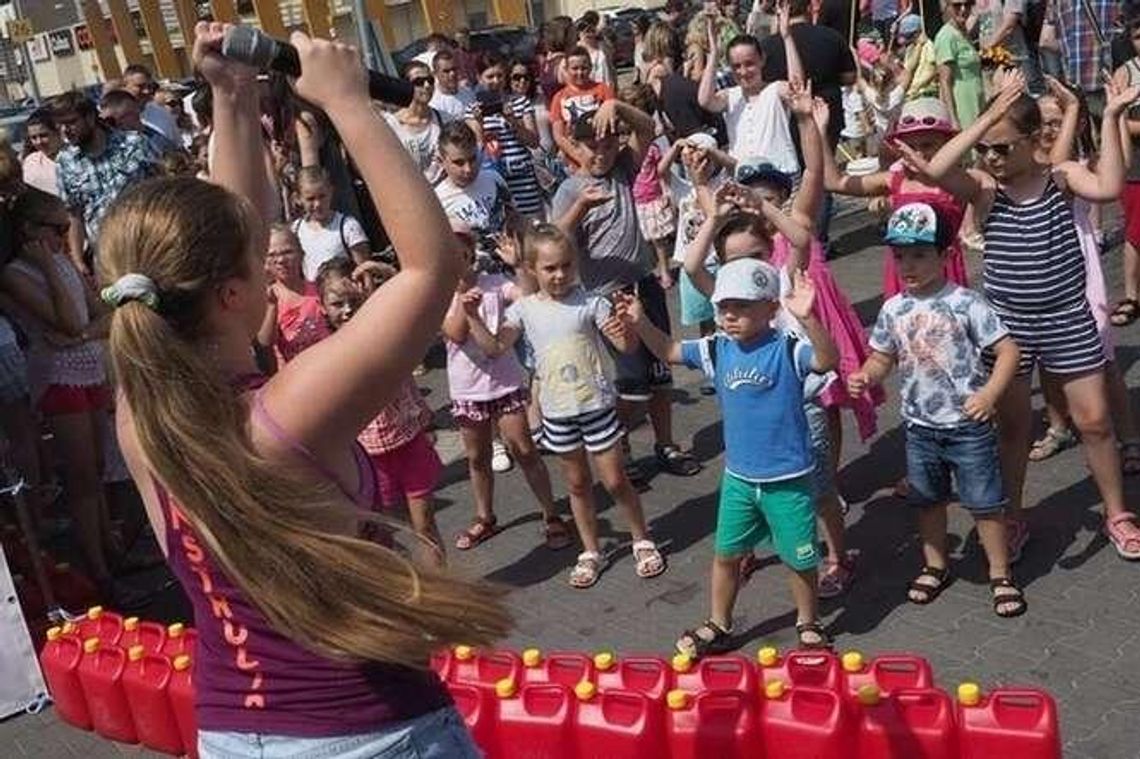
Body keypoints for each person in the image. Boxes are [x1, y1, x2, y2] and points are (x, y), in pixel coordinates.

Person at [101, 24, 506, 757]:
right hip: (371, 733)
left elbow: (230, 235)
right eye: (255, 261)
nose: (269, 261)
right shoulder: (286, 413)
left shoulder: (140, 411)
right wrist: (349, 104)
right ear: (232, 294)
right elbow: (429, 269)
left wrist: (232, 97)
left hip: (233, 732)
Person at [916, 73, 1140, 562]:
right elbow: (936, 169)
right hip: (1007, 327)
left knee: (1095, 421)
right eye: (985, 150)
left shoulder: (1061, 177)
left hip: (1067, 316)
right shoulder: (984, 189)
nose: (991, 158)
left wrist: (1112, 115)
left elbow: (1109, 185)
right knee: (1013, 428)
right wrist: (988, 119)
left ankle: (1117, 513)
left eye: (1002, 148)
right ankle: (1012, 517)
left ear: (1034, 139)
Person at [622, 257, 838, 654]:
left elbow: (827, 361)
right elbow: (669, 350)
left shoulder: (788, 348)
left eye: (742, 306)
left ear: (771, 308)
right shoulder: (716, 349)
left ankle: (808, 622)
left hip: (788, 479)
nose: (729, 316)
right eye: (723, 307)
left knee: (799, 560)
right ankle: (719, 623)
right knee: (726, 555)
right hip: (739, 479)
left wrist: (808, 319)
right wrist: (641, 323)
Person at [463, 224, 667, 589]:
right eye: (550, 268)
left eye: (566, 266)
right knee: (577, 484)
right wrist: (473, 317)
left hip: (597, 406)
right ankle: (591, 551)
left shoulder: (592, 302)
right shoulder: (523, 310)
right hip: (558, 414)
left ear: (576, 264)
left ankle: (641, 538)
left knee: (615, 480)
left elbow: (627, 347)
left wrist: (629, 327)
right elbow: (494, 348)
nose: (559, 275)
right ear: (532, 268)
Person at [850, 202, 1026, 618]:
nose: (908, 265)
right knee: (927, 501)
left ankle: (1000, 572)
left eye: (919, 254)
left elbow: (1008, 351)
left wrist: (989, 395)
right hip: (919, 427)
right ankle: (935, 565)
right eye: (900, 256)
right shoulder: (893, 308)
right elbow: (882, 356)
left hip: (967, 425)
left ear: (946, 255)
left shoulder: (966, 302)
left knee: (985, 503)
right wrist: (867, 375)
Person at [553, 100, 702, 482]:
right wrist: (580, 208)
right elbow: (555, 243)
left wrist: (616, 106)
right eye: (591, 146)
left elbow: (647, 128)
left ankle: (665, 444)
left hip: (643, 283)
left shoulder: (622, 167)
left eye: (607, 145)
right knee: (632, 383)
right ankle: (616, 441)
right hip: (606, 294)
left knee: (660, 372)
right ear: (575, 146)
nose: (600, 154)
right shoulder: (570, 189)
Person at [0, 186, 125, 604]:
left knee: (97, 467)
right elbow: (69, 320)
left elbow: (101, 316)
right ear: (29, 232)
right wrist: (50, 269)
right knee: (82, 477)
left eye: (65, 227)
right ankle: (99, 571)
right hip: (57, 377)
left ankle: (111, 553)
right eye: (55, 229)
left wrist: (82, 334)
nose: (63, 236)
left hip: (87, 369)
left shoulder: (63, 262)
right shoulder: (16, 273)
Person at [442, 223, 572, 552]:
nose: (458, 259)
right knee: (477, 457)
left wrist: (518, 266)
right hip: (467, 388)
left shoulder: (494, 283)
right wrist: (464, 303)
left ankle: (551, 514)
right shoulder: (439, 294)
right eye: (449, 254)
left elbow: (528, 298)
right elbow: (456, 333)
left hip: (504, 382)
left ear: (471, 254)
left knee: (524, 450)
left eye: (463, 252)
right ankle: (485, 517)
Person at [316, 258, 446, 567]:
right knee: (387, 535)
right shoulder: (327, 353)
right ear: (322, 307)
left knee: (425, 526)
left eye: (353, 300)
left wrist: (386, 276)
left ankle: (443, 585)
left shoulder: (385, 329)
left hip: (408, 440)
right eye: (337, 303)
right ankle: (413, 588)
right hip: (369, 456)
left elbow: (417, 299)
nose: (347, 310)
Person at [819, 97, 970, 298]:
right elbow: (834, 182)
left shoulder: (957, 182)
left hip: (942, 270)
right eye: (910, 146)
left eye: (927, 145)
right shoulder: (894, 180)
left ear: (946, 146)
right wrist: (821, 133)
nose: (918, 154)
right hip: (904, 270)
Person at [51, 91, 158, 276]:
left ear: (90, 118)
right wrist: (78, 260)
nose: (65, 130)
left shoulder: (134, 144)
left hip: (147, 247)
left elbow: (164, 190)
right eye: (60, 125)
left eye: (71, 122)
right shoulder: (65, 161)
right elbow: (74, 216)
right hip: (107, 259)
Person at [697, 20, 801, 174]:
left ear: (762, 60)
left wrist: (787, 37)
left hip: (781, 174)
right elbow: (705, 100)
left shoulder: (776, 90)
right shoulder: (730, 96)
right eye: (736, 66)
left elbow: (797, 88)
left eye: (749, 64)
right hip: (743, 177)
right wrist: (714, 54)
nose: (743, 72)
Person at [465, 52, 544, 220]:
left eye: (500, 76)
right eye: (490, 76)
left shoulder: (520, 102)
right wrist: (479, 123)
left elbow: (534, 142)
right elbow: (477, 149)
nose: (496, 81)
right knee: (503, 226)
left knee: (533, 226)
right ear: (479, 78)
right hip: (494, 178)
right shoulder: (472, 110)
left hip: (523, 179)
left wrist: (512, 120)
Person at [434, 122, 515, 272]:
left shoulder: (494, 179)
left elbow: (516, 219)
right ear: (441, 161)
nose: (468, 169)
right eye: (459, 163)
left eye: (472, 159)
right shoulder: (437, 200)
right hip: (473, 278)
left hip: (510, 270)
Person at [624, 84, 678, 292]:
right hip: (633, 199)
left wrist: (667, 192)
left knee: (658, 240)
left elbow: (662, 171)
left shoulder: (652, 146)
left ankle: (664, 270)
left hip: (651, 197)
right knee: (642, 240)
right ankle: (648, 272)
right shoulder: (623, 146)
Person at [256, 224, 330, 367]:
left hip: (329, 363)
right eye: (272, 255)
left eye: (287, 252)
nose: (281, 260)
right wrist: (272, 307)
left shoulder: (319, 288)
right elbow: (265, 342)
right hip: (295, 372)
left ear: (301, 254)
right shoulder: (267, 297)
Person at [291, 165, 371, 282]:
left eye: (322, 196)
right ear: (298, 198)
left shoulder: (348, 227)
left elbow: (365, 271)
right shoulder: (295, 229)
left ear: (331, 191)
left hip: (343, 290)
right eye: (310, 199)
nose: (318, 204)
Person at [1111, 18, 1140, 329]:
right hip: (1135, 164)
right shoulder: (1125, 73)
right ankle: (1132, 294)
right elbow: (1117, 119)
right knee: (1135, 231)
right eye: (1138, 36)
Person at [550, 47, 616, 166]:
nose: (580, 73)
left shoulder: (604, 90)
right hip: (574, 164)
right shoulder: (559, 97)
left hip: (602, 160)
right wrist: (580, 158)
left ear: (591, 68)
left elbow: (613, 127)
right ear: (567, 69)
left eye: (584, 68)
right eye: (575, 68)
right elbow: (558, 136)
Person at [383, 60, 442, 180]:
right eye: (419, 82)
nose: (427, 85)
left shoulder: (441, 118)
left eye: (430, 80)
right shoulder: (390, 125)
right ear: (405, 85)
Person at [934, 0, 986, 129]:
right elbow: (945, 81)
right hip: (963, 105)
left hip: (976, 100)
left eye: (967, 4)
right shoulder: (946, 36)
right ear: (947, 7)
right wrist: (953, 119)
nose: (963, 9)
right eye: (957, 5)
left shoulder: (963, 32)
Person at [99, 89, 184, 157]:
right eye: (111, 120)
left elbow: (176, 155)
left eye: (128, 115)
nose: (119, 123)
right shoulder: (106, 146)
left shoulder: (154, 138)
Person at [121, 63, 182, 147]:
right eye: (140, 86)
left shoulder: (163, 114)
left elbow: (177, 146)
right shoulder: (117, 118)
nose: (146, 91)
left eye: (149, 86)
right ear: (125, 86)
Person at [897, 13, 941, 101]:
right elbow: (908, 70)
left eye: (909, 35)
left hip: (924, 93)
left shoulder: (929, 46)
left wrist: (915, 88)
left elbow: (931, 71)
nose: (906, 39)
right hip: (910, 94)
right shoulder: (910, 48)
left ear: (917, 33)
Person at [22, 109, 62, 197]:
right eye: (33, 138)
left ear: (57, 132)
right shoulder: (30, 162)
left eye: (43, 135)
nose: (39, 142)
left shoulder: (74, 157)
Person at [429, 49, 475, 123]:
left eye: (454, 69)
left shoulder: (469, 94)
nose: (452, 74)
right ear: (435, 74)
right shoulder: (432, 102)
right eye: (446, 71)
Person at [577, 14, 616, 88]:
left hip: (606, 86)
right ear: (580, 33)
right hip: (589, 88)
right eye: (586, 31)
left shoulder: (603, 45)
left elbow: (611, 66)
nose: (589, 34)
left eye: (591, 31)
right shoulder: (577, 48)